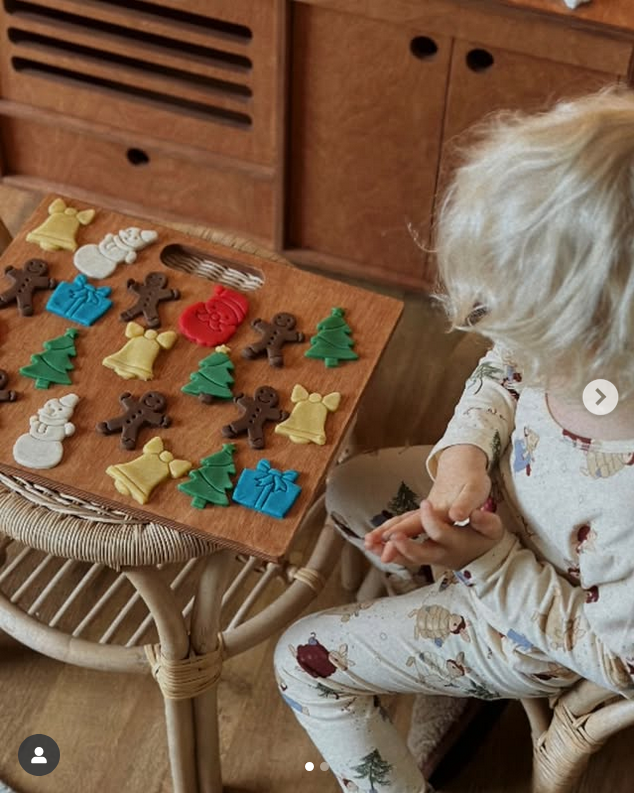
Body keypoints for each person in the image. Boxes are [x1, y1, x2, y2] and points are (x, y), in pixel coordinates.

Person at [273, 85, 634, 793]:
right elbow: (507, 362)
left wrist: (488, 563)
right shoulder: (591, 339)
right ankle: (450, 671)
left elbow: (615, 660)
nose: (501, 331)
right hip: (503, 526)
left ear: (594, 339)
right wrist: (465, 455)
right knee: (349, 490)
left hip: (543, 631)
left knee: (303, 659)